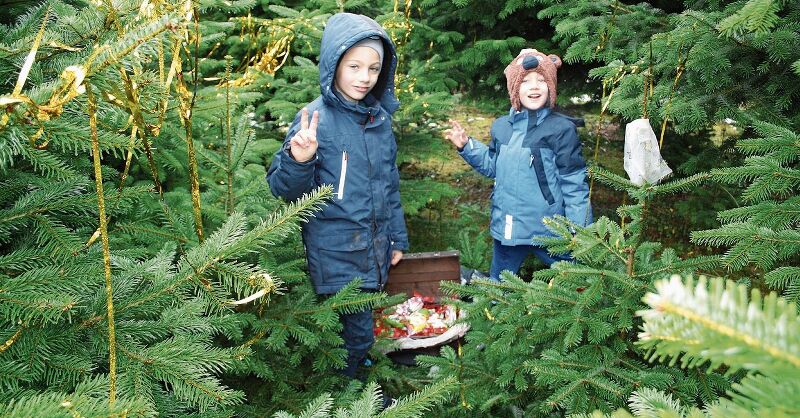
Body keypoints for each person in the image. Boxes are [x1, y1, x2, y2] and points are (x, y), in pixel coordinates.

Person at [266, 13, 408, 384]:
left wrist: (398, 237)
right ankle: (349, 394)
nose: (365, 77)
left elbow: (389, 185)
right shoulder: (315, 120)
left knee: (357, 328)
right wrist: (300, 158)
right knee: (356, 332)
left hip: (374, 246)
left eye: (374, 68)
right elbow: (285, 190)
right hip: (336, 250)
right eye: (355, 66)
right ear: (334, 65)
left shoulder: (378, 119)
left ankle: (354, 372)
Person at [445, 49, 592, 281]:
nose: (534, 86)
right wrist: (467, 145)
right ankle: (492, 309)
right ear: (514, 88)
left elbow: (574, 185)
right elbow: (493, 165)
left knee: (576, 279)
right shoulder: (503, 126)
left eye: (541, 80)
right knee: (500, 286)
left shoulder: (561, 130)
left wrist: (580, 232)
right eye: (525, 81)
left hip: (550, 230)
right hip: (509, 226)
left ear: (551, 86)